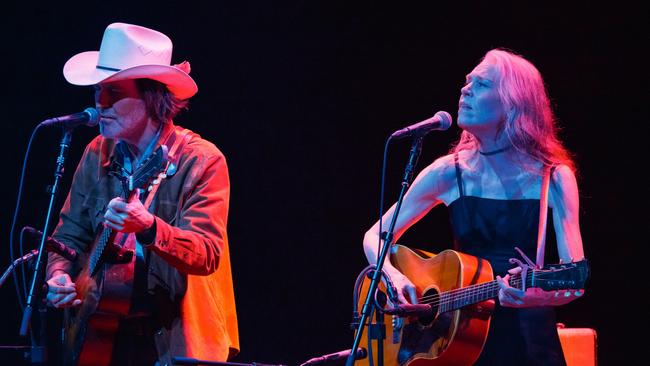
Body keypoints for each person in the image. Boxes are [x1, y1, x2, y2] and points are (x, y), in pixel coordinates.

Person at [362, 48, 586, 365]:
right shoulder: (449, 172)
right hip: (460, 344)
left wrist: (534, 295)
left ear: (513, 101)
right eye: (467, 82)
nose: (465, 89)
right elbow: (376, 236)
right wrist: (395, 280)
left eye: (480, 84)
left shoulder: (553, 177)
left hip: (529, 343)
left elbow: (574, 281)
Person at [45, 22, 239, 365]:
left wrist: (150, 228)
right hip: (103, 335)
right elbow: (67, 235)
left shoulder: (202, 160)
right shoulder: (97, 152)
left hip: (176, 337)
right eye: (98, 91)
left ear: (152, 98)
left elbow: (207, 253)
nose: (99, 103)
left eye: (115, 94)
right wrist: (58, 275)